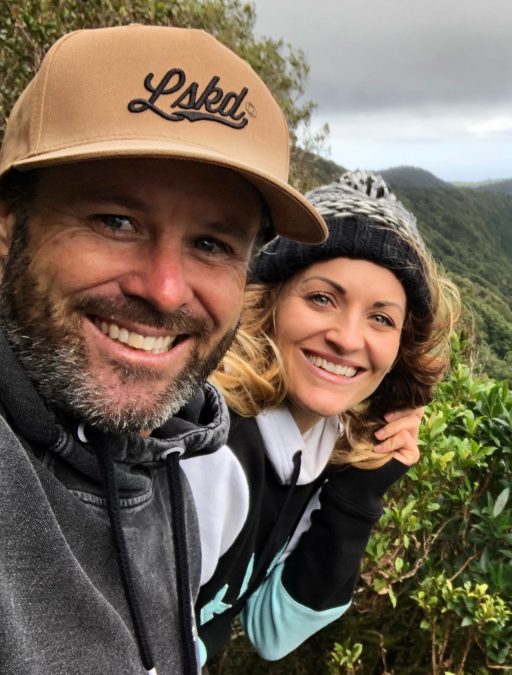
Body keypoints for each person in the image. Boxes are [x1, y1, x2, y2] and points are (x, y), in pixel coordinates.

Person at [0, 25, 326, 675]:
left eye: (212, 243)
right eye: (115, 221)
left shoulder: (184, 462)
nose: (166, 289)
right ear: (8, 228)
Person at [182, 171, 459, 663]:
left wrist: (358, 494)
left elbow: (272, 630)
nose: (348, 339)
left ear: (400, 347)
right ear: (267, 302)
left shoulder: (318, 443)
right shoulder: (210, 445)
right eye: (322, 299)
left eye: (381, 318)